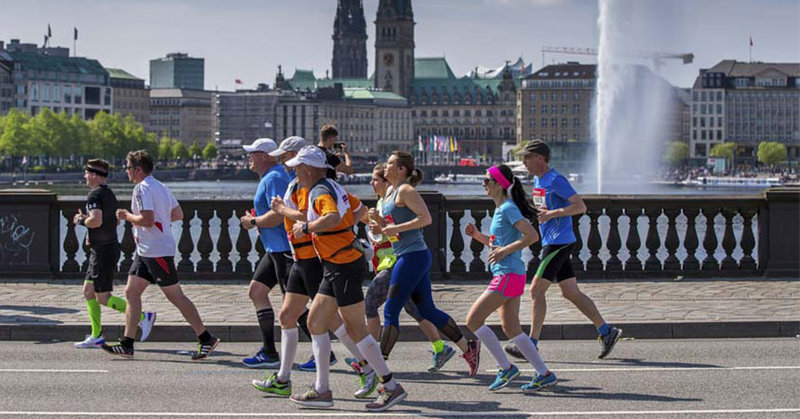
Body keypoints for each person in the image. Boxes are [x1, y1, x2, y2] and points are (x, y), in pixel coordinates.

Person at [284, 146, 405, 412]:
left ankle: (390, 385)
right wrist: (373, 222)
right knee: (315, 321)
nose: (295, 172)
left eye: (297, 168)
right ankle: (322, 390)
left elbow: (332, 218)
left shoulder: (319, 191)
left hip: (344, 265)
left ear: (308, 169)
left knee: (355, 329)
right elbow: (361, 210)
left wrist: (305, 226)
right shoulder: (331, 186)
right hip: (335, 264)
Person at [506, 139, 621, 360]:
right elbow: (543, 208)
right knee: (570, 292)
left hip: (560, 241)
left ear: (540, 158)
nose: (524, 162)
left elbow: (580, 206)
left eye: (527, 158)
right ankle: (606, 331)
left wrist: (553, 214)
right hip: (552, 240)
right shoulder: (539, 180)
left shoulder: (556, 180)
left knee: (535, 291)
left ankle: (530, 344)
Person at [370, 151, 480, 375]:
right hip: (408, 255)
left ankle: (376, 367)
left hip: (413, 257)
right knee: (426, 310)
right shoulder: (390, 192)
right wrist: (381, 223)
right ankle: (468, 347)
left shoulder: (406, 190)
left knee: (391, 310)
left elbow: (426, 219)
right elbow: (394, 229)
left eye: (390, 164)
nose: (385, 167)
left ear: (401, 170)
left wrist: (395, 228)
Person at [102, 150, 219, 360]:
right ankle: (127, 343)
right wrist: (160, 224)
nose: (126, 171)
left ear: (138, 169)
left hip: (157, 253)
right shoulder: (160, 186)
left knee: (175, 296)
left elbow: (146, 220)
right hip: (146, 251)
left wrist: (127, 216)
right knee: (131, 292)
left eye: (128, 168)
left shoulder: (142, 188)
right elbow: (178, 214)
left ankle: (206, 338)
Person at [464, 164, 557, 392]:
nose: (484, 184)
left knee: (473, 320)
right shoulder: (501, 209)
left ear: (498, 184)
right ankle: (544, 373)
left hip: (507, 274)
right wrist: (478, 236)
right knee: (512, 329)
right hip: (511, 274)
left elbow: (532, 236)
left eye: (487, 180)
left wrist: (504, 252)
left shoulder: (507, 208)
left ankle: (506, 368)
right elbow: (499, 243)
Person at [361, 163, 455, 372]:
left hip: (396, 263)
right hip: (393, 262)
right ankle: (441, 347)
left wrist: (381, 227)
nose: (371, 183)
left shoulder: (396, 201)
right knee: (415, 309)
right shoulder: (383, 202)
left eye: (375, 179)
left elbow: (397, 234)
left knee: (371, 304)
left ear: (387, 182)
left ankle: (369, 359)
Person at [238, 138, 310, 368]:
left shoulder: (276, 177)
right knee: (257, 291)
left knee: (293, 304)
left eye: (254, 153)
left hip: (283, 249)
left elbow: (281, 214)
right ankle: (269, 351)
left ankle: (325, 350)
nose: (250, 156)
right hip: (273, 249)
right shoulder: (272, 176)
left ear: (266, 156)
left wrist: (253, 221)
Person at [73, 159, 155, 348]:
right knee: (88, 291)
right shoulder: (109, 194)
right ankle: (96, 335)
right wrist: (91, 234)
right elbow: (114, 221)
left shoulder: (94, 195)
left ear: (93, 175)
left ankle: (143, 317)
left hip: (103, 252)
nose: (85, 177)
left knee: (102, 296)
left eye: (86, 173)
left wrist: (80, 220)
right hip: (104, 249)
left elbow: (96, 221)